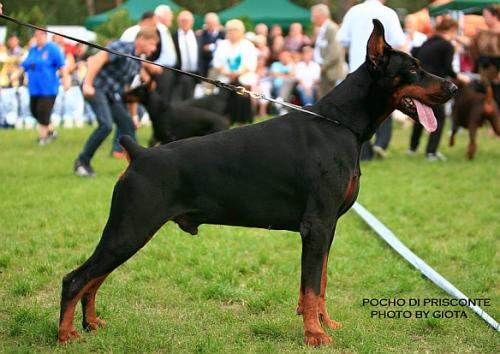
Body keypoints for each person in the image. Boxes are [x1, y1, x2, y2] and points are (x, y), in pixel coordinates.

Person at [74, 28, 159, 177]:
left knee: (127, 124)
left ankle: (137, 167)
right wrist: (87, 84)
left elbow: (129, 91)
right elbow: (97, 59)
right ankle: (82, 162)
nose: (154, 49)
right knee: (106, 125)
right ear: (142, 39)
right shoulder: (123, 47)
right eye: (152, 44)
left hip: (110, 93)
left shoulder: (137, 61)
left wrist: (133, 116)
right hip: (96, 87)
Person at [336, 0, 407, 160]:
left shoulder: (353, 11)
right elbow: (399, 42)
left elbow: (342, 39)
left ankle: (364, 151)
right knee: (385, 107)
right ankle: (381, 143)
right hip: (383, 72)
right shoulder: (388, 13)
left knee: (360, 112)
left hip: (357, 71)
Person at [408, 17, 464, 161]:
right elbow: (448, 69)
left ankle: (412, 148)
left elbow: (414, 54)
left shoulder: (428, 41)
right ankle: (431, 152)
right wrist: (462, 78)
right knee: (439, 117)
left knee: (421, 115)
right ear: (452, 29)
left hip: (419, 83)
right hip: (434, 86)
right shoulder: (447, 46)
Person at [18, 29, 70, 144]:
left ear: (45, 36)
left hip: (48, 88)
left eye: (40, 35)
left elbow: (62, 65)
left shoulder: (53, 49)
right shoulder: (33, 50)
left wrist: (66, 80)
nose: (38, 37)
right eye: (36, 35)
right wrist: (19, 72)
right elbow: (25, 64)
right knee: (34, 111)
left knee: (42, 112)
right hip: (34, 88)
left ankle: (42, 138)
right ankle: (51, 131)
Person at [212, 19, 257, 124]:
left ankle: (242, 122)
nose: (232, 32)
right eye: (230, 30)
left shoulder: (248, 45)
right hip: (225, 79)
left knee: (241, 101)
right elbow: (216, 63)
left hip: (243, 80)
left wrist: (237, 73)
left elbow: (251, 63)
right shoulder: (222, 44)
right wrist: (226, 72)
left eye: (235, 30)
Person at [311, 4, 346, 98]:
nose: (312, 19)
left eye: (314, 16)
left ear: (322, 15)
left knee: (331, 100)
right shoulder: (323, 29)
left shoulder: (331, 28)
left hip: (331, 72)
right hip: (326, 71)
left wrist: (323, 66)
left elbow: (335, 51)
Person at [172, 10, 201, 102]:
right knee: (178, 100)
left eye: (187, 20)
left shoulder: (198, 36)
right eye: (183, 20)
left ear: (192, 22)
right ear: (178, 22)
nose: (185, 23)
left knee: (192, 100)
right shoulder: (173, 37)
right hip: (179, 74)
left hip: (195, 75)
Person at [198, 12, 225, 77]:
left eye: (213, 23)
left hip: (221, 68)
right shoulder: (201, 34)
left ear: (218, 23)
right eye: (208, 23)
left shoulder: (224, 35)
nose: (211, 25)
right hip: (206, 68)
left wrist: (212, 47)